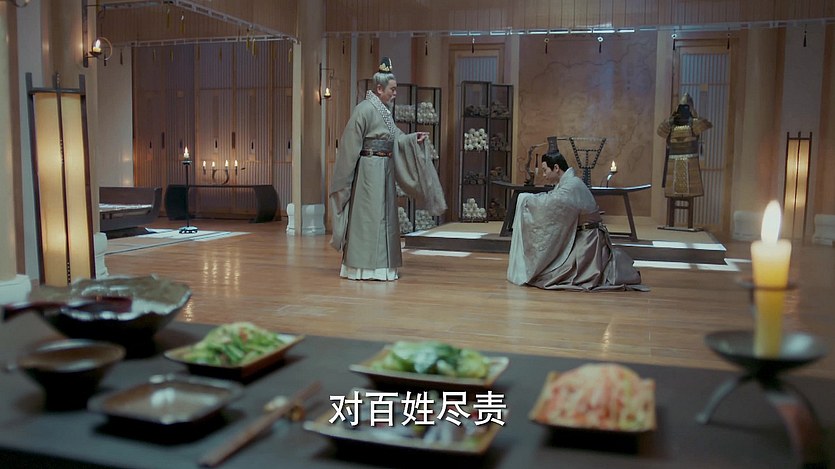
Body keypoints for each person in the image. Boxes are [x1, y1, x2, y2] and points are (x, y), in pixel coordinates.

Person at [328, 57, 446, 281]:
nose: (395, 93)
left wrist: (413, 139)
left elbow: (396, 138)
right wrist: (345, 180)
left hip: (384, 170)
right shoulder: (363, 110)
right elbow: (349, 147)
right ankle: (361, 267)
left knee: (385, 217)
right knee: (367, 217)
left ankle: (382, 267)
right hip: (368, 171)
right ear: (379, 89)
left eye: (395, 89)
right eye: (392, 89)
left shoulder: (384, 112)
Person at [506, 147, 647, 291]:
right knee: (551, 271)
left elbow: (552, 204)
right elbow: (554, 200)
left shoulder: (572, 185)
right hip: (582, 236)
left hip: (588, 241)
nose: (544, 174)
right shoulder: (568, 183)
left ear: (556, 168)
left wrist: (526, 199)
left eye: (545, 170)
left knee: (555, 274)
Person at [657, 93, 712, 199]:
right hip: (674, 160)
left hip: (689, 160)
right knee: (674, 187)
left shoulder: (693, 122)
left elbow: (706, 124)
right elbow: (660, 131)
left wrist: (693, 116)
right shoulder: (671, 123)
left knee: (688, 187)